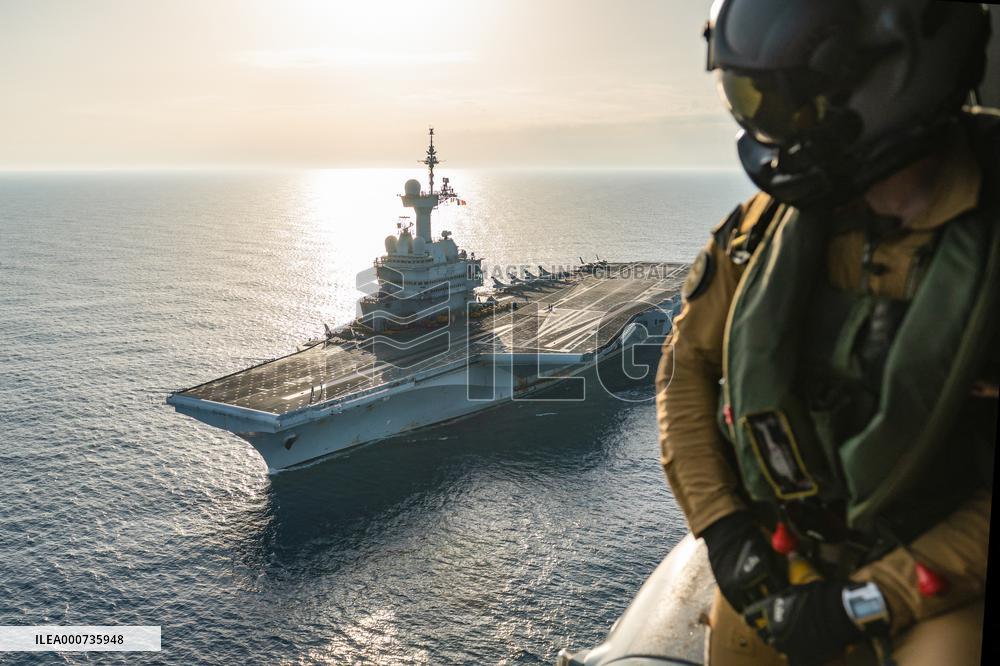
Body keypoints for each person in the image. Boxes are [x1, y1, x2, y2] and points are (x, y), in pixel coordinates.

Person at [655, 1, 997, 664]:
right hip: (784, 559)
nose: (774, 134)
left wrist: (871, 598)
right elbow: (686, 368)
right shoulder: (766, 228)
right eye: (751, 101)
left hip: (936, 581)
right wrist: (727, 533)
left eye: (787, 103)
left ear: (892, 79)